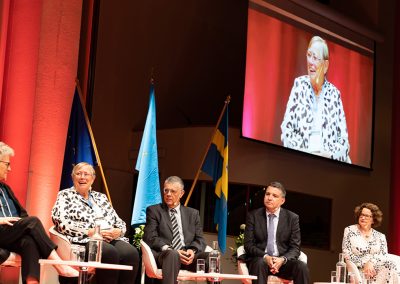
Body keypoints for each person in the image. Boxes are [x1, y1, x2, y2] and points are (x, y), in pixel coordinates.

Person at [0, 141, 79, 284]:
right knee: (34, 221)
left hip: (10, 232)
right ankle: (59, 266)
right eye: (7, 164)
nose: (10, 168)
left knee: (29, 241)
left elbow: (22, 216)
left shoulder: (5, 188)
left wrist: (25, 227)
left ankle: (32, 282)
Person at [51, 162, 139, 284]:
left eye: (86, 174)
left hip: (109, 238)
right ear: (73, 177)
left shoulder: (101, 197)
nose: (82, 177)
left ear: (92, 179)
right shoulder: (65, 195)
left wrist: (117, 231)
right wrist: (90, 232)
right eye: (78, 174)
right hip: (85, 240)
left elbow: (120, 222)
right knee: (109, 252)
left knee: (131, 253)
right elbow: (60, 222)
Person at [280, 35, 351, 163]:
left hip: (328, 162)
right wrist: (302, 153)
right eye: (309, 55)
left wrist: (330, 156)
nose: (310, 62)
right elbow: (287, 130)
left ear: (325, 65)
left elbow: (344, 142)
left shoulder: (335, 94)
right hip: (301, 160)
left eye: (316, 58)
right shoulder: (299, 85)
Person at [143, 176, 208, 284]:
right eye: (166, 190)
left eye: (173, 191)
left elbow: (200, 239)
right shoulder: (154, 211)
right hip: (165, 256)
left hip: (187, 257)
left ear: (181, 193)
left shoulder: (193, 214)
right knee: (172, 254)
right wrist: (170, 249)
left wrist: (192, 250)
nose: (168, 194)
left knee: (213, 257)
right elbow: (150, 237)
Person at [244, 181, 309, 284]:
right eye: (267, 194)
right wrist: (266, 257)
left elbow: (295, 248)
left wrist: (282, 259)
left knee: (301, 266)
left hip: (282, 263)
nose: (269, 198)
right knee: (260, 263)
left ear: (282, 201)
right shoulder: (253, 216)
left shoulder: (292, 218)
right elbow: (248, 245)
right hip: (261, 260)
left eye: (274, 196)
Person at [342, 203, 400, 283]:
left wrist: (371, 263)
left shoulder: (380, 236)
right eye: (361, 215)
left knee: (391, 264)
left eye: (366, 216)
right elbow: (346, 253)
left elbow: (383, 255)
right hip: (358, 270)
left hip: (376, 269)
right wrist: (365, 264)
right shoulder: (350, 230)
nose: (363, 217)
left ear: (373, 219)